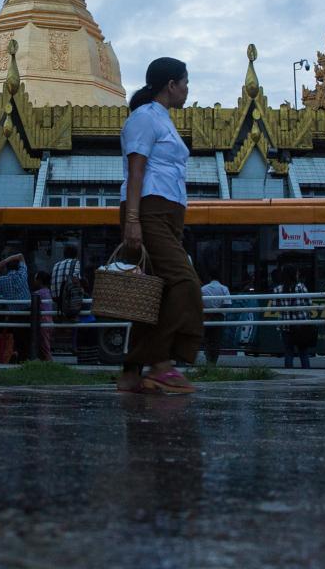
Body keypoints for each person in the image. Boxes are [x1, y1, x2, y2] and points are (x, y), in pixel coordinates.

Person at [116, 57, 204, 396]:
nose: (187, 89)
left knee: (155, 293)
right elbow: (136, 169)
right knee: (184, 281)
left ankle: (131, 374)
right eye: (185, 82)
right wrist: (133, 220)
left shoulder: (163, 120)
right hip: (149, 210)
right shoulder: (144, 118)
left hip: (169, 213)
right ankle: (161, 364)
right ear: (170, 84)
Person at [0, 253, 29, 364]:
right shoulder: (23, 274)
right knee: (26, 337)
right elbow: (21, 255)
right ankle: (25, 359)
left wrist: (4, 296)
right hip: (27, 312)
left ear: (6, 269)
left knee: (16, 337)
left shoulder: (2, 280)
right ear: (18, 266)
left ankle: (15, 355)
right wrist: (3, 262)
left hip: (13, 314)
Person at [272, 266, 315, 369]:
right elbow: (309, 304)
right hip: (301, 325)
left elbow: (274, 307)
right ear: (295, 275)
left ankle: (289, 372)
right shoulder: (301, 287)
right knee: (303, 352)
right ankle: (306, 371)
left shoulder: (278, 289)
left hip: (285, 325)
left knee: (288, 352)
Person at [200, 265, 232, 366]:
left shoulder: (203, 289)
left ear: (209, 277)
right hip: (219, 316)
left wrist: (209, 311)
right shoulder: (224, 288)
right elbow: (227, 304)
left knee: (208, 339)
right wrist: (217, 311)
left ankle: (208, 361)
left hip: (207, 316)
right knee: (216, 340)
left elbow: (200, 303)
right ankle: (213, 362)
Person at [50, 244, 84, 323]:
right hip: (68, 299)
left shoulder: (56, 264)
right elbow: (76, 280)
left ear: (64, 255)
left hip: (56, 299)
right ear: (76, 255)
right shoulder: (76, 262)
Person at [32, 270, 54, 361]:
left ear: (40, 281)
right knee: (46, 341)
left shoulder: (37, 294)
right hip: (50, 320)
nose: (34, 281)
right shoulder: (49, 292)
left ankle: (49, 361)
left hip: (43, 321)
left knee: (44, 344)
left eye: (35, 279)